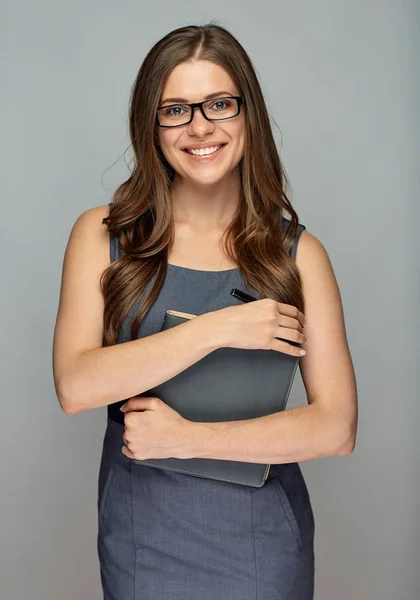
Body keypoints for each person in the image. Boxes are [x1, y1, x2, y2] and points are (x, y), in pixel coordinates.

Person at [52, 23, 357, 600]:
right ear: (152, 125)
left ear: (248, 115)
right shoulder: (103, 235)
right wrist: (220, 328)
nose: (200, 127)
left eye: (220, 104)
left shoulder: (299, 255)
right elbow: (75, 386)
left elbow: (336, 428)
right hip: (142, 538)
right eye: (176, 109)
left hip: (262, 544)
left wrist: (186, 438)